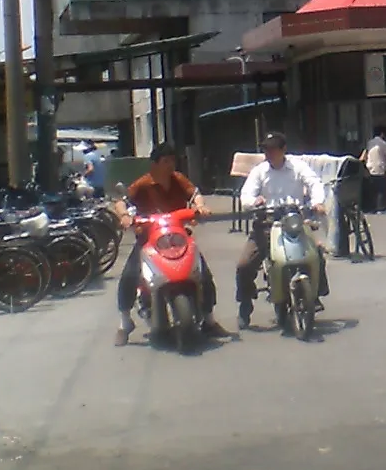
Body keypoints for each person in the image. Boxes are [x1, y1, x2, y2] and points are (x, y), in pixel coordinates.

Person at [115, 143, 224, 345]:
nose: (170, 165)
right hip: (149, 238)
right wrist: (124, 216)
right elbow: (121, 202)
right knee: (131, 274)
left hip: (178, 236)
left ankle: (209, 319)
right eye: (166, 161)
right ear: (154, 164)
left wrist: (200, 206)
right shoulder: (143, 184)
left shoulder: (178, 179)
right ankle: (124, 322)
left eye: (172, 161)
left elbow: (194, 194)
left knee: (202, 273)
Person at [236, 132, 329, 329]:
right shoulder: (260, 171)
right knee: (244, 265)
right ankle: (245, 304)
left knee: (317, 254)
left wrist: (317, 202)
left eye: (273, 149)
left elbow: (314, 183)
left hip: (295, 220)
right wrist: (254, 202)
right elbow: (246, 194)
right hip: (267, 223)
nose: (268, 153)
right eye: (266, 149)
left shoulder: (297, 166)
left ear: (283, 149)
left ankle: (315, 293)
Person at [360, 127, 386, 213]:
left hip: (370, 168)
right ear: (382, 134)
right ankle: (381, 208)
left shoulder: (370, 142)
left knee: (373, 189)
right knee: (381, 189)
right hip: (380, 168)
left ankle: (372, 208)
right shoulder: (383, 143)